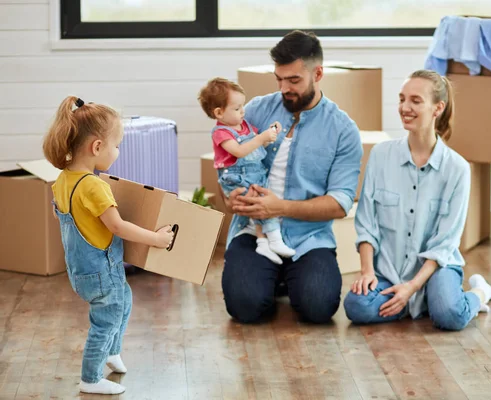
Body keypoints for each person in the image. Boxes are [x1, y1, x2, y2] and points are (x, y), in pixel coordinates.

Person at [220, 30, 363, 324]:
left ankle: (284, 278)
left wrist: (280, 208)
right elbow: (227, 161)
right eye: (279, 79)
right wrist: (229, 196)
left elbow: (340, 203)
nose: (285, 88)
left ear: (318, 73)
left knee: (318, 309)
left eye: (294, 80)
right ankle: (269, 277)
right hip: (253, 232)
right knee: (245, 308)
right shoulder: (257, 110)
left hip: (309, 237)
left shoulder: (343, 129)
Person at [343, 70, 491, 330]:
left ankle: (479, 293)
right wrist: (367, 271)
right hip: (388, 270)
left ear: (438, 108)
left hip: (436, 269)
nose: (405, 107)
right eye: (402, 99)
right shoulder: (381, 156)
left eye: (415, 100)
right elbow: (366, 224)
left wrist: (412, 287)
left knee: (450, 316)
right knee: (356, 305)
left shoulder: (457, 169)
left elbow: (445, 242)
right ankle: (419, 303)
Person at [43, 96, 174, 394]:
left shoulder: (64, 179)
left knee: (123, 303)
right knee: (105, 320)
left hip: (80, 271)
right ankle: (90, 378)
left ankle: (113, 353)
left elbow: (61, 214)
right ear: (97, 147)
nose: (118, 151)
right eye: (117, 145)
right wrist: (157, 239)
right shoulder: (94, 186)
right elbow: (117, 226)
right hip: (103, 270)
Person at [198, 77, 295, 265]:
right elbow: (240, 151)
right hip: (236, 177)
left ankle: (263, 241)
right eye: (237, 108)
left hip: (255, 173)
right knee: (258, 203)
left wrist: (271, 134)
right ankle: (274, 239)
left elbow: (260, 145)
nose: (244, 111)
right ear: (218, 112)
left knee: (261, 203)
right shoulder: (221, 132)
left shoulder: (244, 126)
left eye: (242, 105)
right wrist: (261, 138)